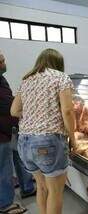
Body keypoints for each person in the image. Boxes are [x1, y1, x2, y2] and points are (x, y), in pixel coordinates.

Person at [11, 48, 76, 214]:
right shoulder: (61, 77)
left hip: (24, 142)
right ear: (58, 64)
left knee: (41, 187)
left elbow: (14, 111)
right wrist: (72, 138)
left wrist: (35, 115)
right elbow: (68, 111)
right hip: (47, 142)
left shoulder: (26, 80)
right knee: (55, 192)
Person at [0, 51, 29, 214]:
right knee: (3, 168)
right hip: (1, 134)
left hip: (10, 129)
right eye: (2, 61)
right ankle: (5, 204)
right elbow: (7, 105)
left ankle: (28, 187)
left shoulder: (1, 79)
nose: (5, 63)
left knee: (19, 157)